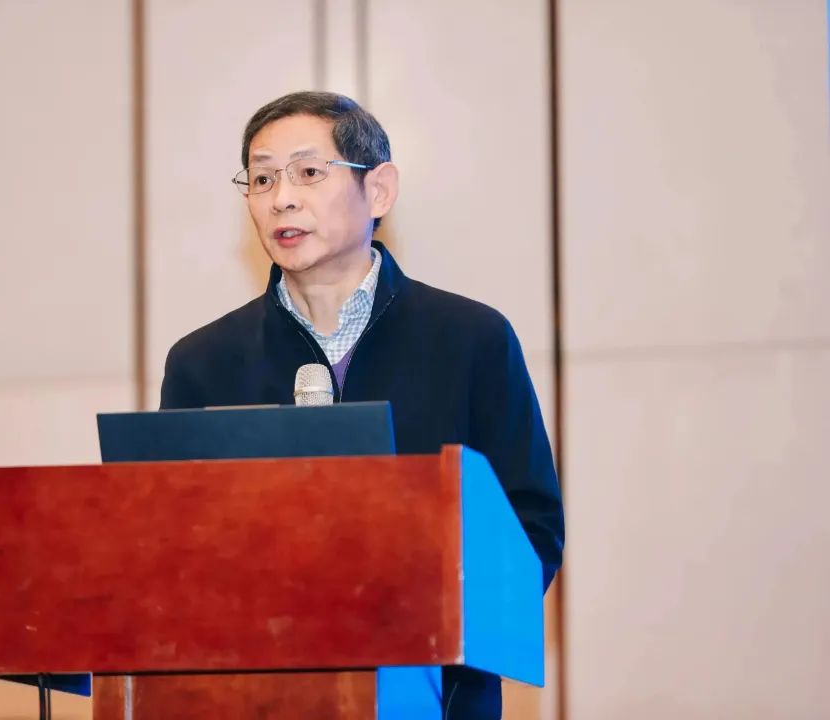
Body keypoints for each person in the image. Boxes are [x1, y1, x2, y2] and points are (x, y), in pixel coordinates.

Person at [159, 91, 564, 720]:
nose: (281, 198)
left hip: (437, 697)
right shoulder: (202, 363)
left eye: (308, 172)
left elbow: (529, 526)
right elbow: (170, 548)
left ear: (378, 190)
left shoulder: (470, 339)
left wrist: (432, 623)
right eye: (262, 179)